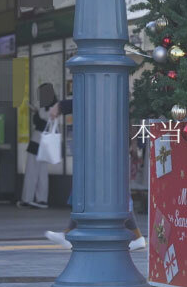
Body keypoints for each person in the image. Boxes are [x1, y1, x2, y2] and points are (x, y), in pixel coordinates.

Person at [42, 98, 146, 251]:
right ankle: (137, 237)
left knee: (110, 193)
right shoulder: (115, 98)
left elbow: (88, 98)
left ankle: (137, 237)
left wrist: (61, 106)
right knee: (99, 192)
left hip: (109, 150)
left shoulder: (105, 94)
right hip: (109, 148)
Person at [20, 83, 56, 209]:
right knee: (42, 172)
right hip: (47, 142)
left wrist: (35, 112)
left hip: (37, 140)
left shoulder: (45, 107)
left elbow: (40, 122)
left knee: (31, 170)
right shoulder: (55, 106)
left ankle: (27, 198)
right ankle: (42, 199)